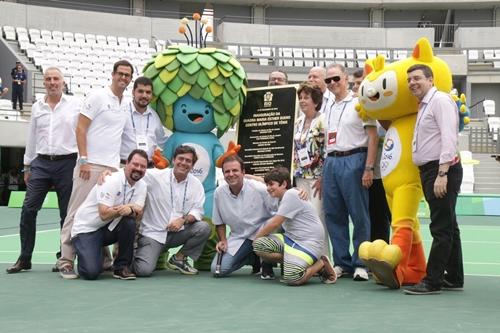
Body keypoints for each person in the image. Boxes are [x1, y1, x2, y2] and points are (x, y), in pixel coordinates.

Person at [57, 60, 134, 279]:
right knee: (76, 211)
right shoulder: (97, 96)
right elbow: (81, 127)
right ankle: (65, 260)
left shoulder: (124, 104)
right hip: (90, 166)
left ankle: (105, 259)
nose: (123, 78)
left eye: (127, 75)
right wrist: (83, 159)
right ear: (113, 74)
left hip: (111, 168)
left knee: (105, 213)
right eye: (120, 74)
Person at [6, 67, 80, 274]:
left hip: (68, 162)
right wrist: (27, 165)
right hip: (41, 163)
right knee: (28, 209)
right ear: (45, 83)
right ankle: (25, 257)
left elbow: (82, 133)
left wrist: (82, 161)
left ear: (63, 83)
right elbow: (31, 137)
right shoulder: (38, 107)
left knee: (66, 213)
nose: (52, 82)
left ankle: (63, 256)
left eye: (56, 79)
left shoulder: (75, 105)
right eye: (48, 79)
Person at [404, 64, 463, 295]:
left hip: (440, 170)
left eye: (417, 78)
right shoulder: (426, 104)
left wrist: (442, 173)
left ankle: (433, 280)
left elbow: (449, 138)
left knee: (440, 228)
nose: (412, 83)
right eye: (409, 79)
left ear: (430, 79)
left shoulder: (440, 101)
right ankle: (454, 276)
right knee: (449, 225)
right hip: (432, 170)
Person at [322, 63, 378, 281]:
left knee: (359, 213)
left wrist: (368, 167)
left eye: (336, 78)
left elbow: (372, 137)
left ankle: (361, 263)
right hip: (332, 161)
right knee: (334, 214)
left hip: (354, 158)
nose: (332, 83)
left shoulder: (359, 103)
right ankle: (342, 262)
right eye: (328, 80)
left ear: (345, 78)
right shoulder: (327, 107)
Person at [133, 145, 211, 277]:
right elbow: (132, 172)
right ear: (173, 160)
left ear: (192, 165)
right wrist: (108, 173)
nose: (184, 163)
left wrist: (183, 220)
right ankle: (135, 254)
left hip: (177, 233)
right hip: (153, 235)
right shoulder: (156, 176)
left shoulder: (196, 185)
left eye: (188, 161)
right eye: (181, 159)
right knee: (143, 271)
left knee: (203, 228)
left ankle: (179, 259)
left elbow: (197, 211)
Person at [71, 150, 148, 280]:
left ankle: (121, 268)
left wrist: (129, 209)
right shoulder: (111, 180)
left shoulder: (142, 185)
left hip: (107, 229)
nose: (138, 169)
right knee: (91, 273)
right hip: (86, 229)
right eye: (135, 164)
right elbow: (104, 214)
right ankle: (87, 250)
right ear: (127, 163)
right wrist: (122, 210)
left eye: (143, 166)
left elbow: (139, 212)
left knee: (129, 222)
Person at [252, 167, 337, 286]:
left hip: (308, 243)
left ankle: (320, 263)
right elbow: (261, 180)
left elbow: (275, 223)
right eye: (267, 185)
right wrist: (246, 176)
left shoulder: (291, 194)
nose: (268, 188)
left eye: (271, 184)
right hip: (291, 239)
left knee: (293, 279)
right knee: (259, 245)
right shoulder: (282, 195)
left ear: (284, 184)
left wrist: (256, 237)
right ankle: (295, 263)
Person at [211, 155, 279, 277]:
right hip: (239, 237)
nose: (231, 174)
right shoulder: (219, 193)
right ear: (223, 174)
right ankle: (254, 258)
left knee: (278, 222)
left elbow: (280, 210)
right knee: (218, 270)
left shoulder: (259, 188)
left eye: (235, 170)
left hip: (263, 233)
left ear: (243, 172)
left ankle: (268, 259)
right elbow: (219, 221)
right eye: (227, 171)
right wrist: (223, 240)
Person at [351, 69, 391, 242]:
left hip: (386, 172)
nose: (356, 87)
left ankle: (392, 259)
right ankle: (374, 258)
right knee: (372, 216)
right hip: (368, 173)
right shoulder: (357, 109)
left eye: (360, 83)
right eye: (354, 83)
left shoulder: (388, 108)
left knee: (386, 217)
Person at [292, 82, 330, 255]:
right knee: (303, 218)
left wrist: (324, 177)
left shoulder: (323, 121)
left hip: (317, 178)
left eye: (306, 97)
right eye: (300, 98)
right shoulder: (298, 122)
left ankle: (323, 259)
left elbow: (327, 151)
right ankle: (307, 256)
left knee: (318, 218)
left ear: (316, 101)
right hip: (300, 176)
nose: (302, 101)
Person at [120, 76, 167, 166]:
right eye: (140, 91)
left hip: (148, 168)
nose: (144, 95)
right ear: (133, 92)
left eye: (148, 92)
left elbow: (162, 141)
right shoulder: (122, 112)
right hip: (124, 166)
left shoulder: (155, 116)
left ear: (152, 95)